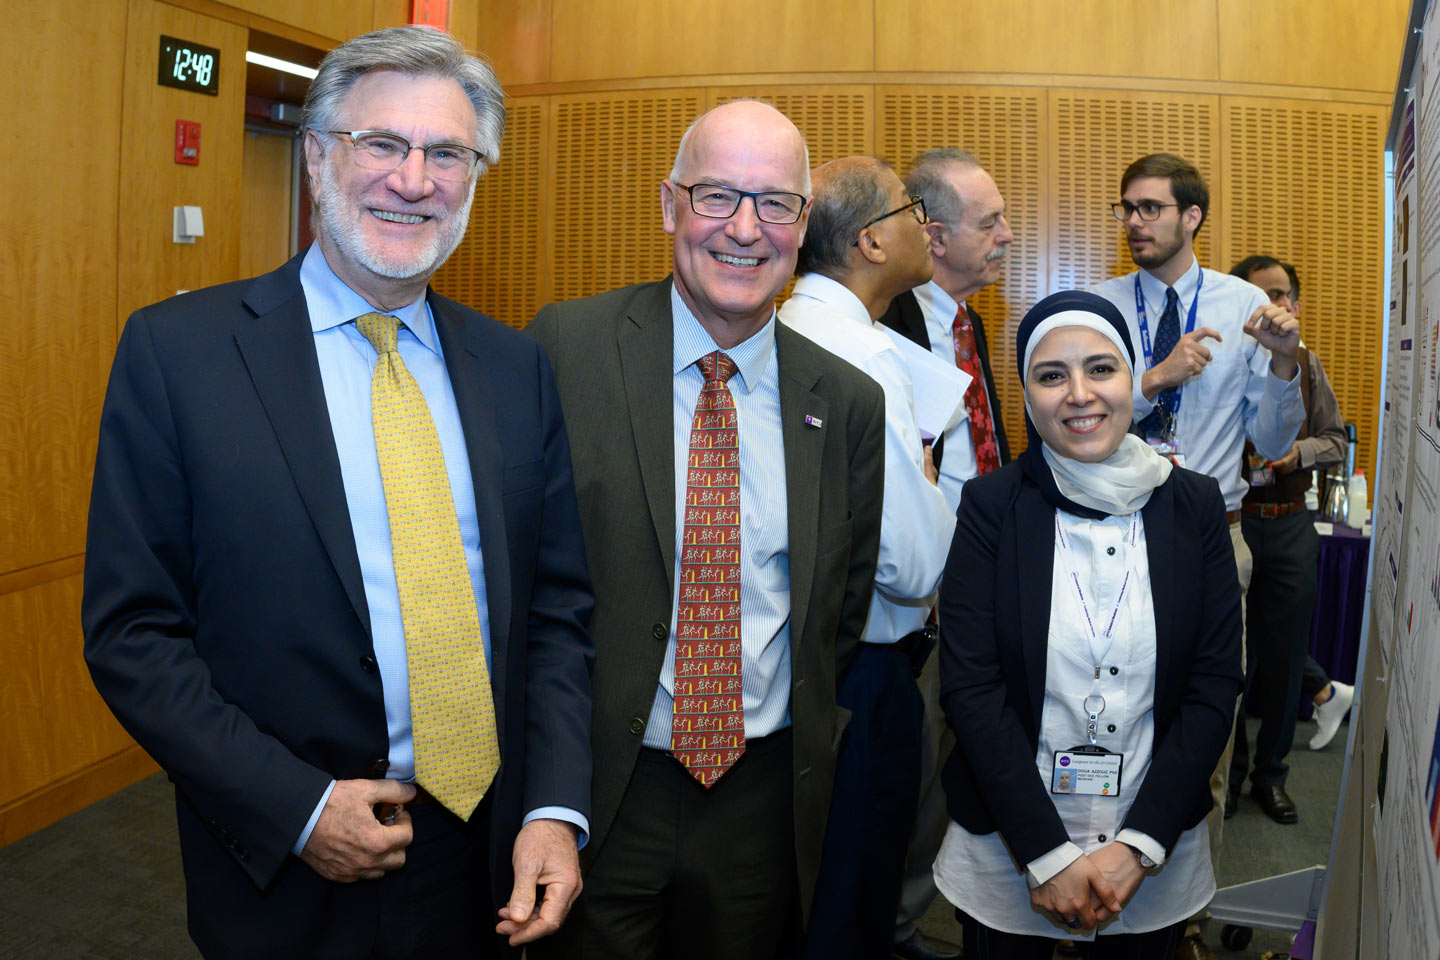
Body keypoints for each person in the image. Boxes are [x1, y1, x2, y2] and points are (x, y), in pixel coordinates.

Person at [81, 26, 595, 960]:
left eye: (448, 152)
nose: (414, 179)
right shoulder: (179, 355)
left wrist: (555, 806)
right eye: (383, 143)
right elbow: (133, 634)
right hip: (288, 864)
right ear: (317, 156)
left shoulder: (516, 367)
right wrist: (297, 807)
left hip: (488, 856)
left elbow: (557, 613)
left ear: (476, 174)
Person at [525, 100, 886, 959]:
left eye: (775, 203)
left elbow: (842, 603)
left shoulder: (848, 404)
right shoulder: (563, 350)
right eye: (717, 195)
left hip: (763, 798)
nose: (744, 229)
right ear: (669, 206)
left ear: (803, 225)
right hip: (603, 788)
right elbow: (525, 585)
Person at [934, 290, 1244, 959]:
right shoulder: (991, 506)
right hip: (1011, 838)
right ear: (1027, 393)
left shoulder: (1193, 504)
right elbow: (971, 688)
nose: (1079, 394)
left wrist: (1138, 848)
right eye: (1052, 375)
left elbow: (1215, 684)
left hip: (1152, 837)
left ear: (1134, 379)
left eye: (1102, 369)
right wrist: (1046, 853)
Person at [1089, 153, 1303, 960]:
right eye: (1127, 209)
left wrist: (1285, 364)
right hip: (1105, 531)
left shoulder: (1248, 305)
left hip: (1210, 535)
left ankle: (1176, 914)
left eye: (1151, 208)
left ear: (1193, 217)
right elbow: (1068, 411)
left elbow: (1275, 439)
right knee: (1102, 717)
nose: (1136, 223)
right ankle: (1093, 891)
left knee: (1200, 729)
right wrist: (1154, 380)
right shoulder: (1101, 307)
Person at [776, 156, 956, 960]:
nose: (930, 226)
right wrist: (928, 485)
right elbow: (915, 564)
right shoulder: (866, 359)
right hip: (866, 674)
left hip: (797, 668)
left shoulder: (780, 329)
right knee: (854, 901)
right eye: (915, 209)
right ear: (872, 241)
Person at [879, 146, 1007, 960]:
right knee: (908, 771)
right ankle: (889, 929)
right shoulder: (888, 320)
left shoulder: (972, 323)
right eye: (989, 222)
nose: (1005, 235)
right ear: (933, 231)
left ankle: (927, 914)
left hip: (976, 583)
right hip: (911, 595)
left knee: (959, 766)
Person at [1225, 257, 1347, 823]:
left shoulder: (1306, 364)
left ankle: (1271, 777)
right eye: (1255, 297)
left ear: (1294, 306)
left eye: (1279, 295)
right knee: (1231, 661)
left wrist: (1301, 452)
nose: (1270, 306)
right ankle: (1231, 769)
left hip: (1291, 522)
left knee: (1284, 656)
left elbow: (1336, 442)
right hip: (1233, 523)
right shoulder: (1221, 363)